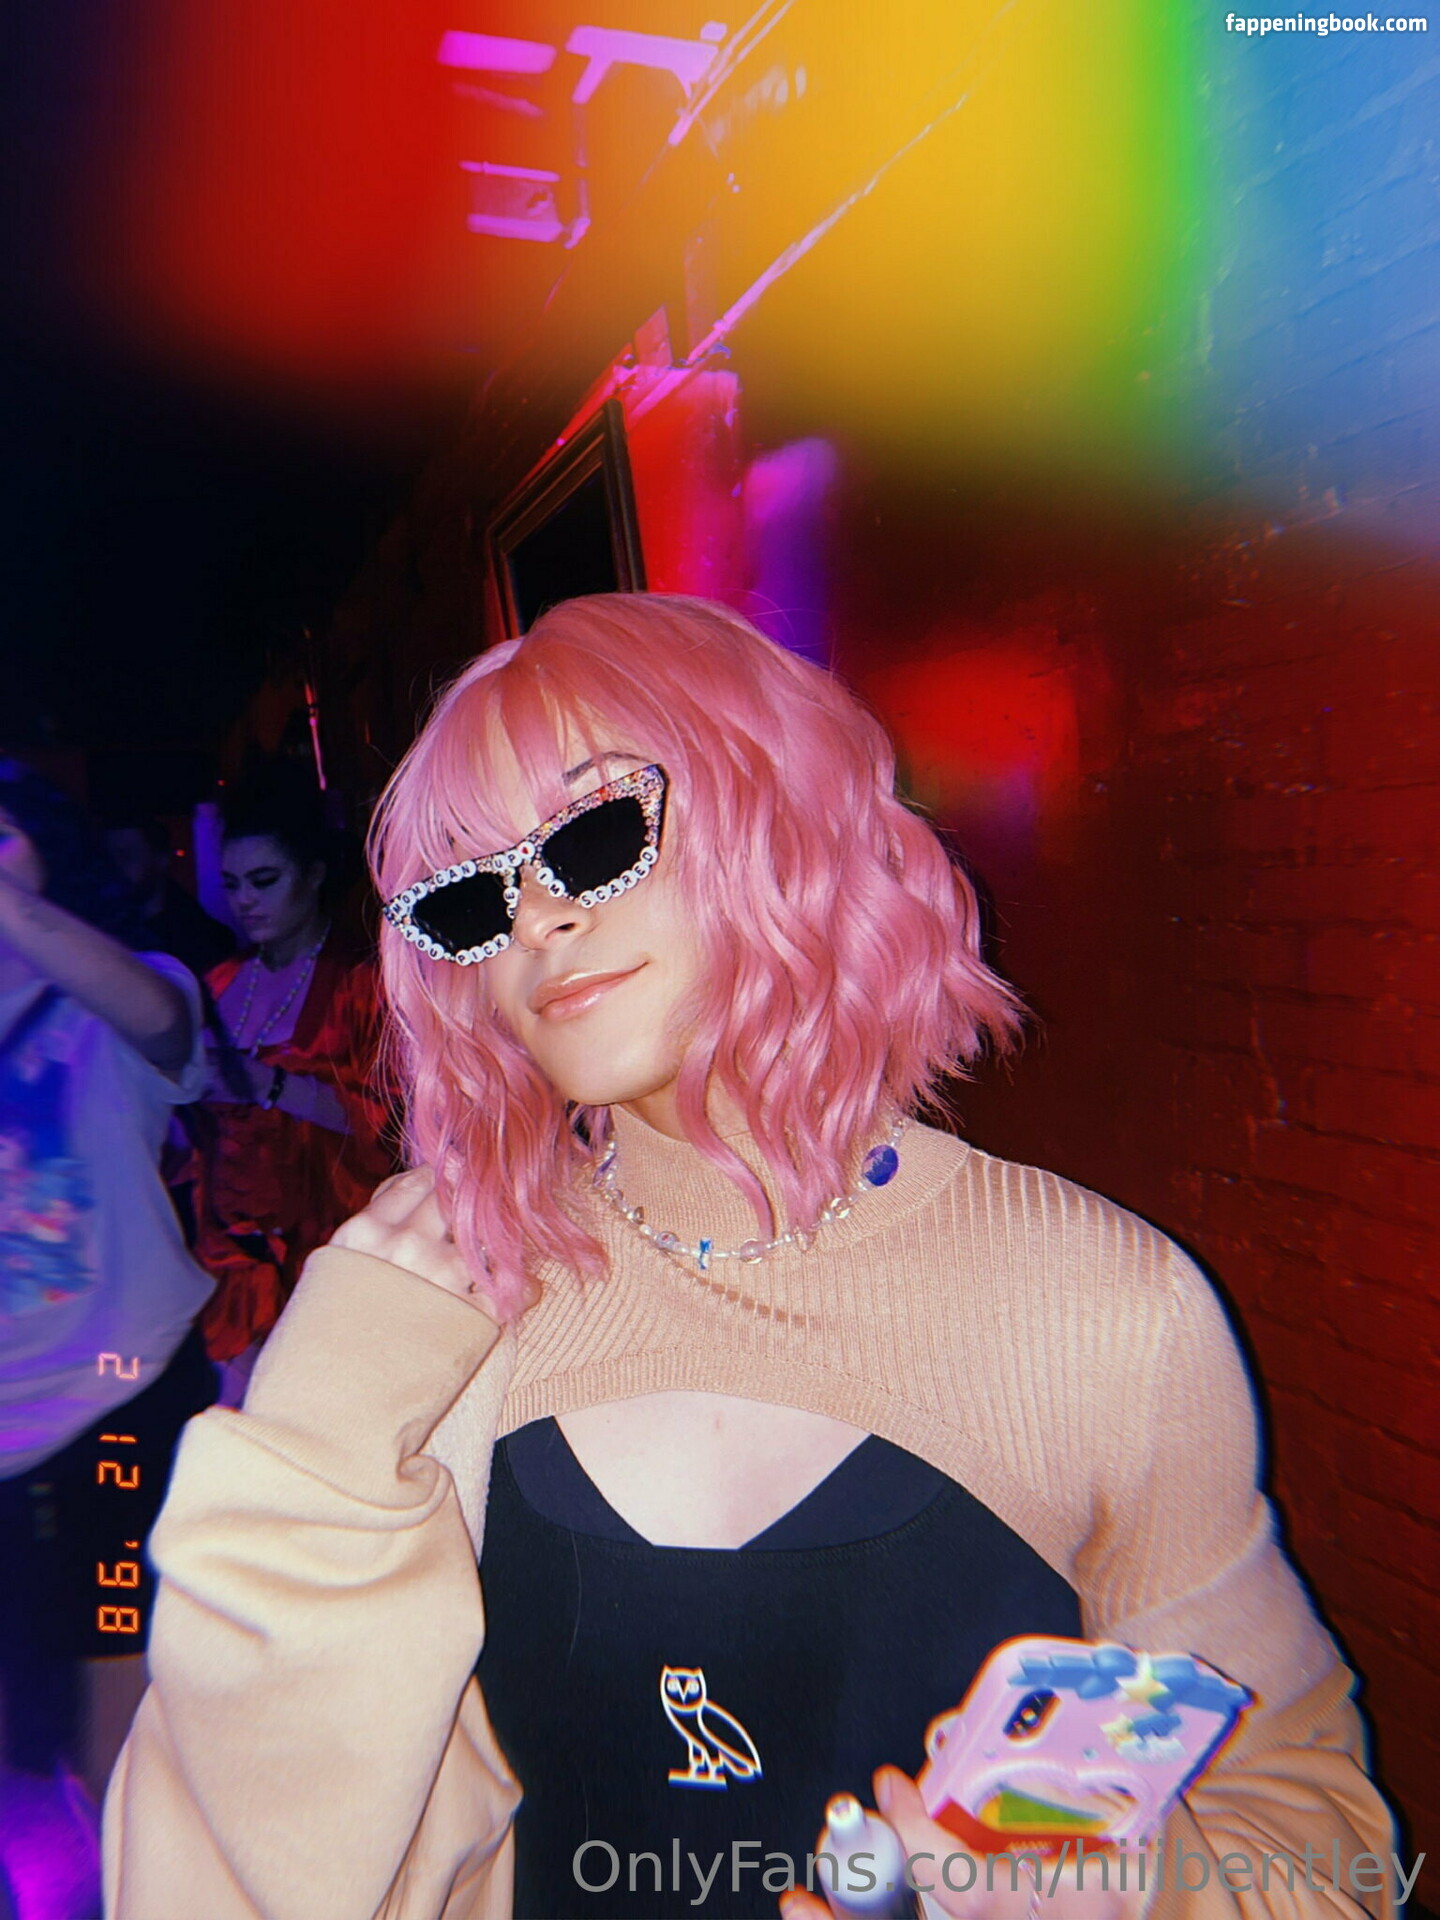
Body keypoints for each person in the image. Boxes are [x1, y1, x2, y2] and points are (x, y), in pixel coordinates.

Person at [104, 595, 1396, 1920]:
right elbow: (223, 1876)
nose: (536, 920)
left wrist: (1133, 1895)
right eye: (476, 895)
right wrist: (320, 1430)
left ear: (781, 812)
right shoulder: (445, 1301)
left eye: (595, 836)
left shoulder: (1099, 1305)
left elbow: (1316, 1840)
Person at [0, 760, 216, 1883]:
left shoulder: (124, 992)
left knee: (120, 1684)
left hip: (121, 1402)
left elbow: (164, 1021)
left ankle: (140, 1888)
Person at [192, 769, 393, 1385]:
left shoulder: (362, 981)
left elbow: (391, 1127)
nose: (244, 901)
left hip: (333, 1251)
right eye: (231, 884)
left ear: (312, 874)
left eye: (264, 881)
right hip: (231, 1258)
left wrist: (267, 1085)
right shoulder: (219, 983)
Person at [103, 814, 237, 981]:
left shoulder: (204, 939)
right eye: (108, 859)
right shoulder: (105, 930)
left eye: (126, 856)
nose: (114, 868)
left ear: (162, 859)